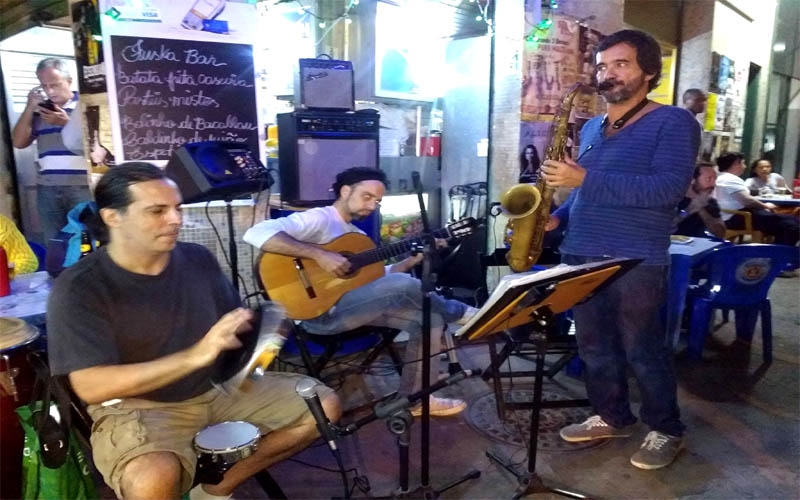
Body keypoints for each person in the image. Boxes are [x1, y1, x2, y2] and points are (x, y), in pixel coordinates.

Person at [47, 163, 340, 500]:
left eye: (177, 208)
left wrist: (260, 334)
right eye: (157, 211)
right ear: (113, 217)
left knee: (323, 406)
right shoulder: (81, 287)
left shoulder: (197, 258)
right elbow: (90, 386)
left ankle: (217, 487)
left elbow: (231, 329)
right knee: (151, 479)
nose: (176, 219)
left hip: (216, 389)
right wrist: (196, 355)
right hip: (142, 406)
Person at [540, 29, 700, 470]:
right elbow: (584, 191)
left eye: (621, 64)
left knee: (643, 350)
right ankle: (612, 416)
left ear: (648, 71)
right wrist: (560, 217)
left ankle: (666, 428)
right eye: (602, 66)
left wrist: (584, 179)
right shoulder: (593, 126)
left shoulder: (674, 122)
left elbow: (666, 190)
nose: (607, 73)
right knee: (593, 346)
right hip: (581, 251)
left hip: (636, 256)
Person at [243, 167, 478, 417]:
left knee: (431, 319)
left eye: (377, 201)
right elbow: (255, 233)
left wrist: (412, 260)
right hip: (318, 314)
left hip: (351, 306)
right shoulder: (320, 218)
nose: (373, 205)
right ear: (345, 191)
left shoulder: (358, 237)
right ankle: (461, 313)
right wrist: (319, 255)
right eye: (367, 197)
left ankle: (417, 399)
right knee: (405, 284)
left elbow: (379, 278)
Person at [11, 58, 90, 244]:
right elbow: (19, 142)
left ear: (69, 81)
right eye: (44, 86)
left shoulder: (85, 105)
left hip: (82, 185)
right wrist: (29, 108)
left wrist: (66, 123)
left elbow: (100, 144)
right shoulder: (40, 111)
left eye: (55, 85)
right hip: (47, 187)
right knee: (54, 242)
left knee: (87, 239)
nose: (50, 91)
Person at [715, 152, 799, 246]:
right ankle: (778, 252)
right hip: (738, 217)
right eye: (743, 163)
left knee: (789, 222)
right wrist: (765, 206)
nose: (744, 166)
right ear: (735, 164)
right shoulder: (731, 179)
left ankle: (776, 250)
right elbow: (747, 200)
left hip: (731, 216)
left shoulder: (720, 178)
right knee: (791, 225)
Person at [674, 163, 727, 239]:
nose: (713, 184)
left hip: (698, 243)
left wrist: (702, 210)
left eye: (715, 179)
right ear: (692, 180)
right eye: (708, 179)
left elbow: (720, 234)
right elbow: (667, 226)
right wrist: (688, 210)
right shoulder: (673, 199)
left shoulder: (710, 202)